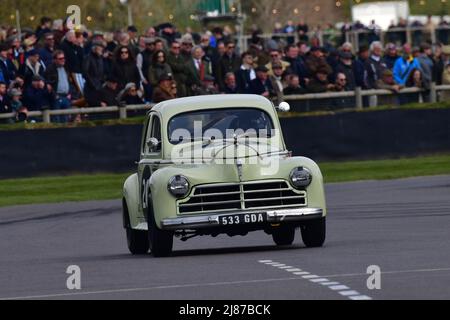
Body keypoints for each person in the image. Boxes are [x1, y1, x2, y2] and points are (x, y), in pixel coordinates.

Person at [44, 50, 74, 122]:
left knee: (66, 119)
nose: (63, 60)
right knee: (56, 119)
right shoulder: (50, 69)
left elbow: (69, 82)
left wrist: (70, 93)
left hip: (66, 96)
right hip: (57, 97)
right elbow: (48, 84)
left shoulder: (66, 68)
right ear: (54, 60)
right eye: (60, 59)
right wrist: (55, 95)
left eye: (63, 58)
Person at [83, 41, 105, 107]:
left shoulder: (100, 59)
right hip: (91, 87)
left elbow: (101, 72)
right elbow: (85, 72)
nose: (101, 50)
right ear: (94, 49)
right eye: (99, 48)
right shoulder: (88, 58)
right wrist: (93, 84)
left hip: (99, 86)